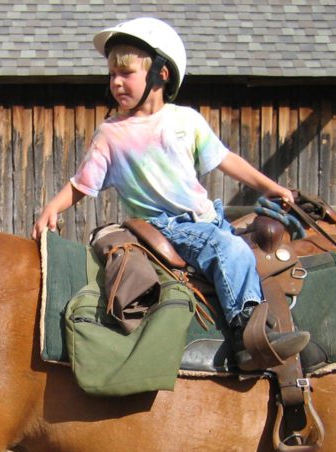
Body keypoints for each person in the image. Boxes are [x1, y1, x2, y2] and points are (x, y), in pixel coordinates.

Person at [32, 18, 309, 371]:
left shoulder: (186, 121)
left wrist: (272, 188)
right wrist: (52, 208)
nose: (116, 82)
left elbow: (225, 160)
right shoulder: (111, 134)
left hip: (208, 218)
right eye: (112, 74)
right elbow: (81, 183)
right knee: (228, 249)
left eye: (125, 73)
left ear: (161, 74)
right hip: (164, 227)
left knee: (261, 242)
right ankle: (248, 334)